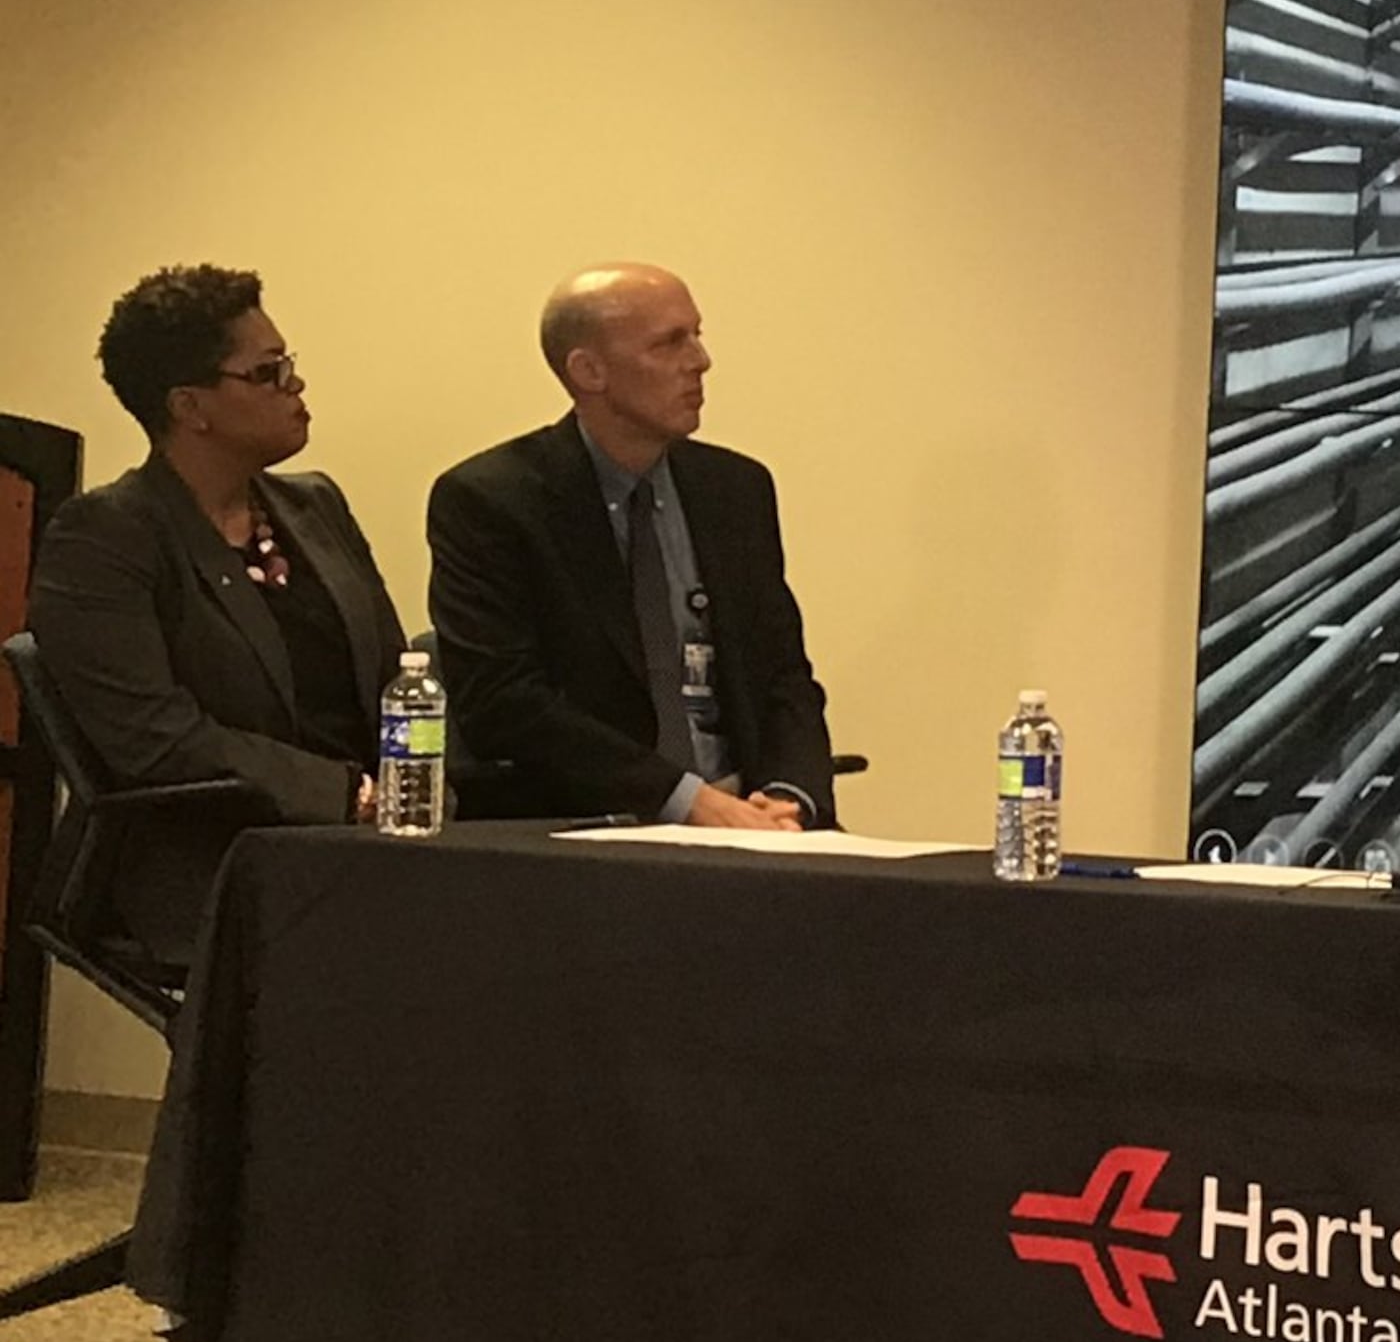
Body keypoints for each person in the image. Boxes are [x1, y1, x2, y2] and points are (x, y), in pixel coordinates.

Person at [28, 267, 403, 968]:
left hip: (363, 839)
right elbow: (152, 738)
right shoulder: (106, 536)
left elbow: (390, 675)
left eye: (290, 364)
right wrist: (340, 794)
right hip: (217, 852)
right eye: (269, 372)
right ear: (190, 406)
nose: (296, 386)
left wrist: (424, 787)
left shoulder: (314, 506)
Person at [426, 264, 835, 828]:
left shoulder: (735, 488)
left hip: (752, 818)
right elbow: (504, 701)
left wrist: (793, 794)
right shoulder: (492, 500)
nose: (700, 360)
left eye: (697, 334)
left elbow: (782, 674)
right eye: (670, 342)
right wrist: (687, 801)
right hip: (593, 826)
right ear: (590, 371)